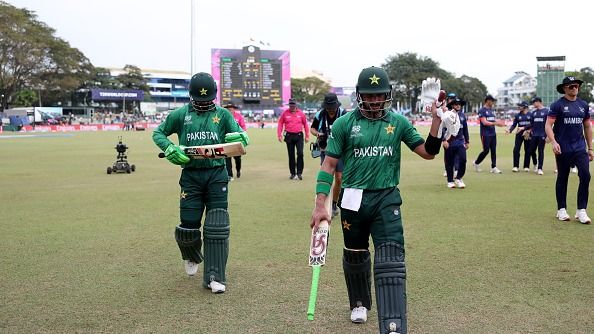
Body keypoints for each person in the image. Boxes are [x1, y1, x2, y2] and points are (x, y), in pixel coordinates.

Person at [310, 67, 444, 334]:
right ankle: (359, 303)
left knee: (391, 257)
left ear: (388, 95)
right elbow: (328, 165)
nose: (374, 101)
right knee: (355, 254)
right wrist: (320, 204)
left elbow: (428, 153)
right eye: (369, 96)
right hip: (352, 199)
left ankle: (393, 321)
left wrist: (437, 122)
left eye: (379, 95)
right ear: (359, 95)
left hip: (386, 198)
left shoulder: (399, 122)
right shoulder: (344, 123)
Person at [152, 72, 250, 293]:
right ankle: (191, 255)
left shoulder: (223, 115)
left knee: (217, 226)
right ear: (191, 96)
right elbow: (159, 133)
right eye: (200, 101)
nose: (204, 104)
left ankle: (215, 276)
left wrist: (242, 138)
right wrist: (169, 148)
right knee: (188, 225)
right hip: (191, 176)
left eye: (208, 101)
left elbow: (240, 137)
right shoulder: (179, 114)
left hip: (217, 174)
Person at [545, 76, 592, 224]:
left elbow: (587, 126)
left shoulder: (583, 105)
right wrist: (553, 142)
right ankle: (561, 209)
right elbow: (548, 125)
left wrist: (590, 148)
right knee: (562, 178)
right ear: (565, 88)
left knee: (586, 175)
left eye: (576, 86)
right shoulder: (557, 105)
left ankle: (581, 210)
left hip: (579, 148)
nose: (574, 88)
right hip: (563, 148)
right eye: (571, 86)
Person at [310, 92, 346, 216]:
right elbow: (312, 128)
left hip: (340, 150)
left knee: (339, 178)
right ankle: (323, 203)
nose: (331, 110)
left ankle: (334, 204)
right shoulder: (320, 114)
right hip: (325, 150)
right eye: (329, 107)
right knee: (326, 177)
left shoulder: (343, 113)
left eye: (333, 107)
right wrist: (317, 134)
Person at [277, 98, 310, 180]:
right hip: (289, 136)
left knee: (300, 153)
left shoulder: (301, 114)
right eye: (290, 105)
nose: (292, 106)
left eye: (293, 105)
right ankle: (292, 173)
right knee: (291, 155)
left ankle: (299, 173)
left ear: (296, 105)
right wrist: (279, 135)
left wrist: (307, 135)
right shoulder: (285, 113)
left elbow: (305, 124)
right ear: (289, 105)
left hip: (299, 135)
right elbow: (280, 123)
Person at [472, 95, 506, 173]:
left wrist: (500, 123)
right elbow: (484, 122)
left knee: (493, 150)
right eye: (492, 101)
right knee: (486, 150)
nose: (493, 102)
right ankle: (476, 162)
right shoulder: (482, 110)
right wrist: (496, 123)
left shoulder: (491, 110)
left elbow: (493, 120)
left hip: (492, 133)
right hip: (485, 134)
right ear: (488, 101)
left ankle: (494, 167)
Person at [443, 97, 469, 188]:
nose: (458, 105)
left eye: (459, 104)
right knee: (449, 162)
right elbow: (442, 128)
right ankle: (450, 181)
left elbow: (465, 129)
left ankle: (458, 178)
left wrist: (467, 141)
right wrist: (444, 140)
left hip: (460, 142)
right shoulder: (447, 115)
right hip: (449, 141)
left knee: (463, 160)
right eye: (456, 104)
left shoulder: (462, 116)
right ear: (452, 105)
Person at [506, 101, 535, 172]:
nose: (518, 107)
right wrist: (510, 130)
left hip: (527, 134)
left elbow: (533, 124)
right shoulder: (517, 115)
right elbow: (514, 125)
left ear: (525, 107)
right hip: (519, 134)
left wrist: (526, 129)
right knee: (516, 150)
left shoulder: (531, 115)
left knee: (528, 150)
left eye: (520, 106)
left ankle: (526, 166)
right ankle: (515, 166)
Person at [223, 104, 247, 181]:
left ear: (234, 109)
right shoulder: (223, 116)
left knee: (237, 158)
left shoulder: (239, 116)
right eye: (228, 109)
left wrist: (241, 135)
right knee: (227, 159)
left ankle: (238, 170)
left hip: (236, 141)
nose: (230, 110)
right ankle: (230, 175)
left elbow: (243, 126)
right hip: (226, 140)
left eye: (231, 108)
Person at [529, 97, 548, 175]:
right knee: (531, 150)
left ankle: (540, 168)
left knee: (540, 151)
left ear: (538, 102)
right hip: (534, 135)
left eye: (534, 102)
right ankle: (535, 164)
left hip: (542, 135)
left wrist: (548, 135)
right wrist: (526, 129)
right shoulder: (533, 113)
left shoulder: (547, 111)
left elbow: (549, 124)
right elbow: (531, 124)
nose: (533, 104)